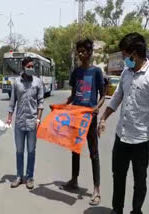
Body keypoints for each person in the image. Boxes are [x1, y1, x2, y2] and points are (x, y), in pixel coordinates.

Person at [98, 32, 149, 214]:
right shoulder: (126, 73)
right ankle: (117, 209)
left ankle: (136, 211)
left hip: (141, 140)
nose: (124, 60)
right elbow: (117, 98)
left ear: (134, 54)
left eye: (125, 56)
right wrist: (103, 118)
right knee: (118, 176)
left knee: (140, 181)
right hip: (122, 137)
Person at [60, 39, 105, 206]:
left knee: (94, 153)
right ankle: (74, 180)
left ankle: (96, 189)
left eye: (83, 51)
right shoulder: (76, 72)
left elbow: (102, 95)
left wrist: (96, 108)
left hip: (90, 118)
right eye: (78, 51)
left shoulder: (97, 72)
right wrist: (61, 106)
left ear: (90, 52)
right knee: (75, 150)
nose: (80, 54)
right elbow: (73, 95)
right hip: (76, 116)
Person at [6, 56, 44, 190]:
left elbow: (41, 103)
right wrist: (9, 117)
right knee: (19, 151)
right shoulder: (16, 82)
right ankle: (19, 176)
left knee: (31, 151)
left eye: (32, 66)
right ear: (23, 67)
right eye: (28, 66)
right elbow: (12, 102)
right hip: (20, 122)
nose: (31, 69)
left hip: (33, 122)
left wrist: (38, 119)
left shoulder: (38, 82)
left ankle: (30, 177)